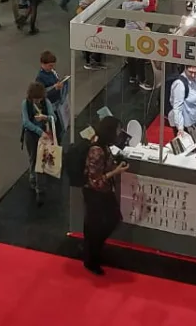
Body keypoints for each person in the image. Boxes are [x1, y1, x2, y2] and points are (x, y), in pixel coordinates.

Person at [82, 116, 127, 275]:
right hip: (95, 194)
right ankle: (91, 257)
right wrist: (115, 172)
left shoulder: (104, 146)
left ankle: (93, 252)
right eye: (116, 130)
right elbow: (94, 180)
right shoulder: (97, 150)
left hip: (103, 192)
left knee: (105, 222)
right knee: (98, 225)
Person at [22, 81, 57, 206]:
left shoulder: (46, 103)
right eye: (35, 99)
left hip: (45, 135)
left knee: (41, 160)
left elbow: (54, 117)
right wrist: (38, 130)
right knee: (33, 158)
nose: (37, 101)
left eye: (39, 99)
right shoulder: (25, 104)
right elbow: (26, 122)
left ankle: (39, 187)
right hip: (31, 135)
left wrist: (45, 118)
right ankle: (33, 180)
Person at [170, 65, 196, 132]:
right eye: (190, 72)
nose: (193, 75)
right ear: (185, 68)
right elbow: (177, 108)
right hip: (187, 126)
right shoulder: (180, 84)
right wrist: (180, 128)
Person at [78, 0, 105, 69]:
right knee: (94, 40)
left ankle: (92, 60)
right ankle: (91, 61)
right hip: (91, 22)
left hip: (92, 21)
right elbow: (81, 6)